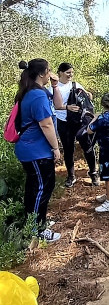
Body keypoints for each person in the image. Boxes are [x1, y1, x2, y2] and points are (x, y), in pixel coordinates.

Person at [14, 59, 62, 243]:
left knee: (36, 188)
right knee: (41, 189)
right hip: (36, 152)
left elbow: (58, 105)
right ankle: (37, 230)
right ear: (42, 73)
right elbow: (46, 124)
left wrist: (55, 85)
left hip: (34, 151)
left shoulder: (36, 92)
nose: (51, 74)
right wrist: (56, 148)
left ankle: (35, 222)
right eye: (49, 71)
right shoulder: (36, 95)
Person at [50, 62, 99, 188]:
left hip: (79, 121)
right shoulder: (54, 88)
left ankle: (93, 173)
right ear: (60, 73)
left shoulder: (75, 84)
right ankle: (71, 176)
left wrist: (88, 95)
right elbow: (55, 106)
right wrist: (67, 108)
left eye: (72, 72)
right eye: (68, 73)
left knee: (87, 146)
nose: (70, 75)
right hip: (64, 122)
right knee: (68, 149)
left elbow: (86, 94)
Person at [87, 92, 109, 213]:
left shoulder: (103, 118)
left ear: (102, 103)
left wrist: (95, 118)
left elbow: (89, 130)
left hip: (108, 150)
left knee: (108, 175)